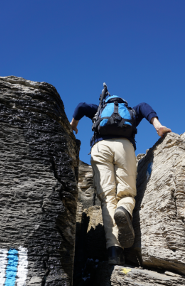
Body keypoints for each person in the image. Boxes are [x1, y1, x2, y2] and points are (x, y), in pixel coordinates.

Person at [70, 88, 172, 265]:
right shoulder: (131, 111)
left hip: (100, 148)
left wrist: (73, 125)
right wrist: (158, 126)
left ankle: (114, 252)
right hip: (124, 146)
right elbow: (145, 107)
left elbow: (80, 106)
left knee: (107, 198)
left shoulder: (99, 109)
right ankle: (124, 209)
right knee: (126, 193)